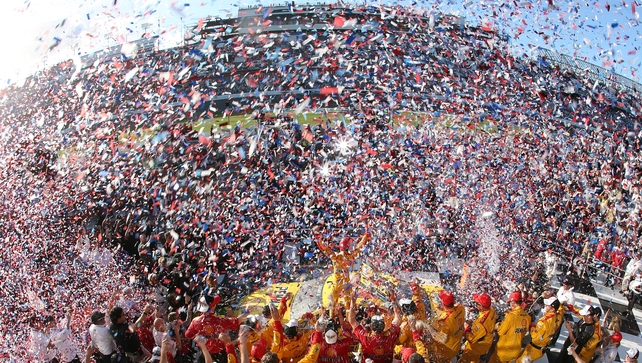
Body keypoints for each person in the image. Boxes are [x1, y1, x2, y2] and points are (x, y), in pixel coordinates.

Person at [316, 229, 370, 307]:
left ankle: (332, 317)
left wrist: (319, 240)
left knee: (332, 305)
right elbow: (359, 246)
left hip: (337, 283)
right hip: (346, 284)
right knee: (348, 305)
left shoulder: (336, 256)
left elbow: (324, 249)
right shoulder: (351, 255)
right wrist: (365, 236)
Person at [185, 293, 242, 363]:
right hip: (220, 356)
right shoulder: (220, 320)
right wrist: (247, 312)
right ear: (212, 307)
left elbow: (188, 335)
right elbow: (236, 321)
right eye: (214, 304)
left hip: (204, 355)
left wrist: (202, 336)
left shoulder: (195, 321)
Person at [348, 295, 402, 363]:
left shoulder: (365, 336)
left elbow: (351, 320)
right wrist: (394, 300)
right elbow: (398, 318)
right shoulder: (390, 335)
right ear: (383, 326)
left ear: (371, 326)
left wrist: (352, 302)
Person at [489, 291, 531, 363]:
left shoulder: (510, 316)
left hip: (504, 350)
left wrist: (498, 325)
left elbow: (501, 332)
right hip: (515, 351)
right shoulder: (527, 317)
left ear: (513, 302)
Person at [516, 297, 560, 363]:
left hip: (534, 349)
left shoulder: (544, 321)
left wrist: (532, 326)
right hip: (540, 347)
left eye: (547, 305)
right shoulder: (554, 317)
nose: (546, 306)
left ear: (552, 309)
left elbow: (535, 337)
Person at [458, 293, 497, 363]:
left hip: (477, 346)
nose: (476, 305)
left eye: (477, 304)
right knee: (475, 358)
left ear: (481, 307)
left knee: (465, 359)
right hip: (485, 341)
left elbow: (471, 339)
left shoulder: (481, 324)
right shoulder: (491, 310)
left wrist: (466, 327)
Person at [429, 290, 466, 363]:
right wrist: (440, 310)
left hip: (446, 351)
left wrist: (431, 329)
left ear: (442, 302)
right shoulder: (461, 308)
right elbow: (452, 312)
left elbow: (441, 339)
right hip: (456, 345)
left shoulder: (443, 321)